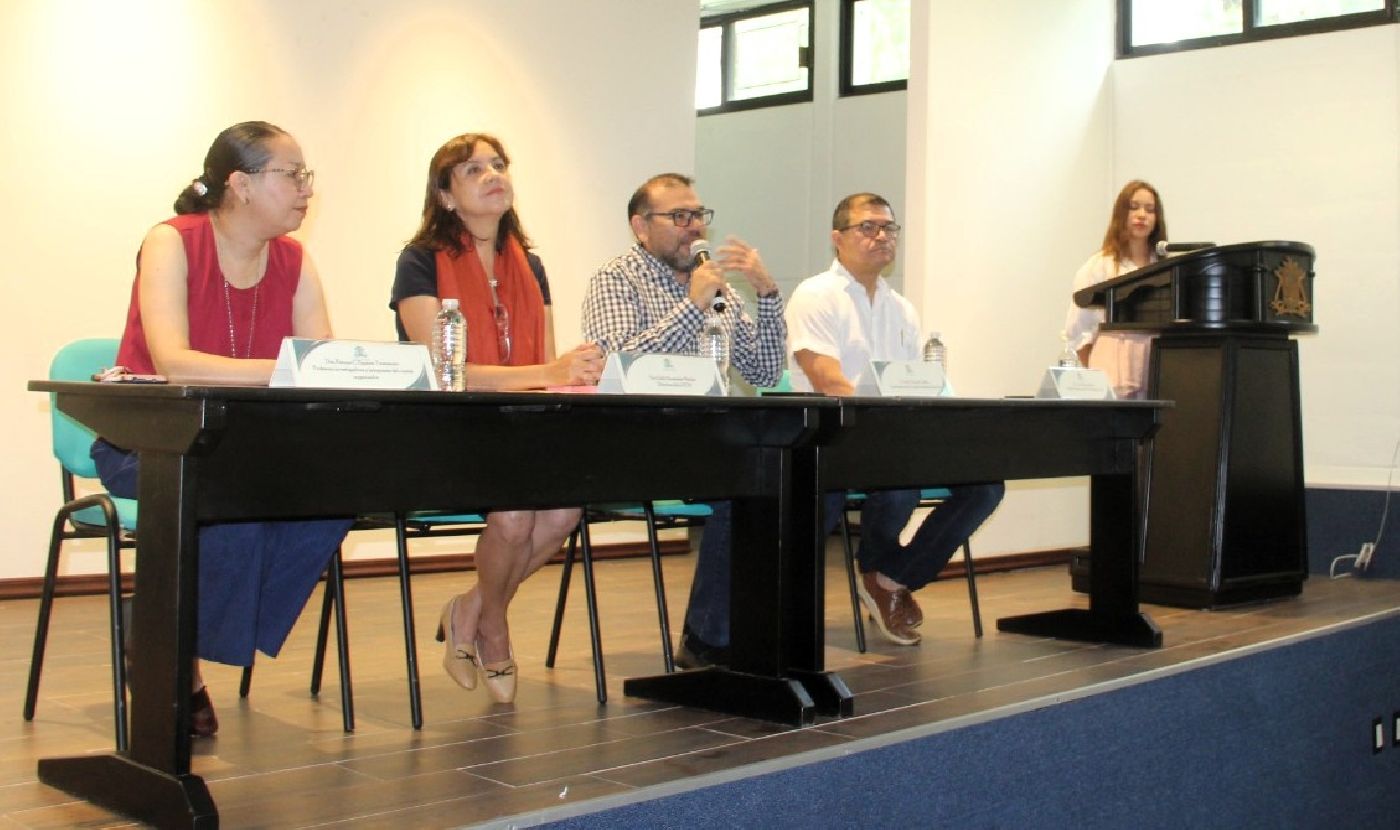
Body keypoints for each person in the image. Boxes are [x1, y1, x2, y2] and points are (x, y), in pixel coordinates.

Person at [90, 121, 353, 737]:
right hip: (151, 443)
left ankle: (163, 632)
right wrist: (290, 370)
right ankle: (174, 654)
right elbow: (175, 363)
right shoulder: (172, 242)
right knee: (231, 497)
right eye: (292, 174)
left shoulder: (294, 261)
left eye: (306, 175)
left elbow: (323, 366)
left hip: (247, 446)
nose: (306, 188)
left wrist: (309, 371)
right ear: (241, 183)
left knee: (333, 495)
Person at [390, 133, 603, 704]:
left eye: (498, 165)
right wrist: (550, 369)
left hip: (521, 426)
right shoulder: (419, 262)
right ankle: (495, 629)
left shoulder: (530, 265)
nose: (492, 175)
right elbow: (443, 370)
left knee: (563, 512)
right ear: (445, 195)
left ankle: (471, 609)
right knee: (512, 517)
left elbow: (547, 370)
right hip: (446, 430)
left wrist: (573, 369)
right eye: (472, 169)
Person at [581, 173, 786, 668]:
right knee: (742, 482)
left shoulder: (714, 283)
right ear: (640, 226)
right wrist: (694, 306)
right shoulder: (616, 278)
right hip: (638, 439)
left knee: (782, 475)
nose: (693, 227)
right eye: (678, 216)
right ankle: (708, 640)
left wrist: (767, 294)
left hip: (708, 439)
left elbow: (763, 371)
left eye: (698, 215)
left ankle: (754, 630)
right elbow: (620, 365)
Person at [785, 192, 1005, 646]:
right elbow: (827, 379)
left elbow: (919, 382)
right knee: (899, 482)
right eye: (868, 227)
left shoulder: (901, 308)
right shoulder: (815, 295)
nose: (881, 236)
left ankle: (890, 578)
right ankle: (881, 579)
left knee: (985, 484)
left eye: (889, 228)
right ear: (837, 238)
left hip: (893, 440)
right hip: (833, 437)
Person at [1064, 179, 1168, 399]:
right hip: (1112, 374)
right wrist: (1100, 376)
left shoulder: (1166, 267)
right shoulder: (1099, 266)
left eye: (1150, 210)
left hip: (1158, 371)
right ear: (1121, 214)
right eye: (1134, 207)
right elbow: (1078, 332)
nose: (1142, 215)